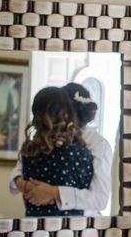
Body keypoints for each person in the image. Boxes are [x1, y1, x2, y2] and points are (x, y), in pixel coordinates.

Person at [9, 82, 113, 214]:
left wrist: (53, 192)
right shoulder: (43, 141)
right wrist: (23, 184)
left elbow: (100, 199)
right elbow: (18, 170)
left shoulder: (98, 145)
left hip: (82, 226)